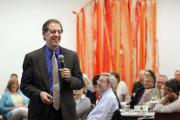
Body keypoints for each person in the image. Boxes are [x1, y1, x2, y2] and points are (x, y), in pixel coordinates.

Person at [20, 19, 83, 120]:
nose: (57, 34)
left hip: (66, 113)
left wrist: (69, 78)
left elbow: (80, 83)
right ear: (44, 34)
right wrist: (39, 94)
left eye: (59, 31)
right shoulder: (32, 57)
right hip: (40, 112)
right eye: (53, 31)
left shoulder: (72, 56)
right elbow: (24, 85)